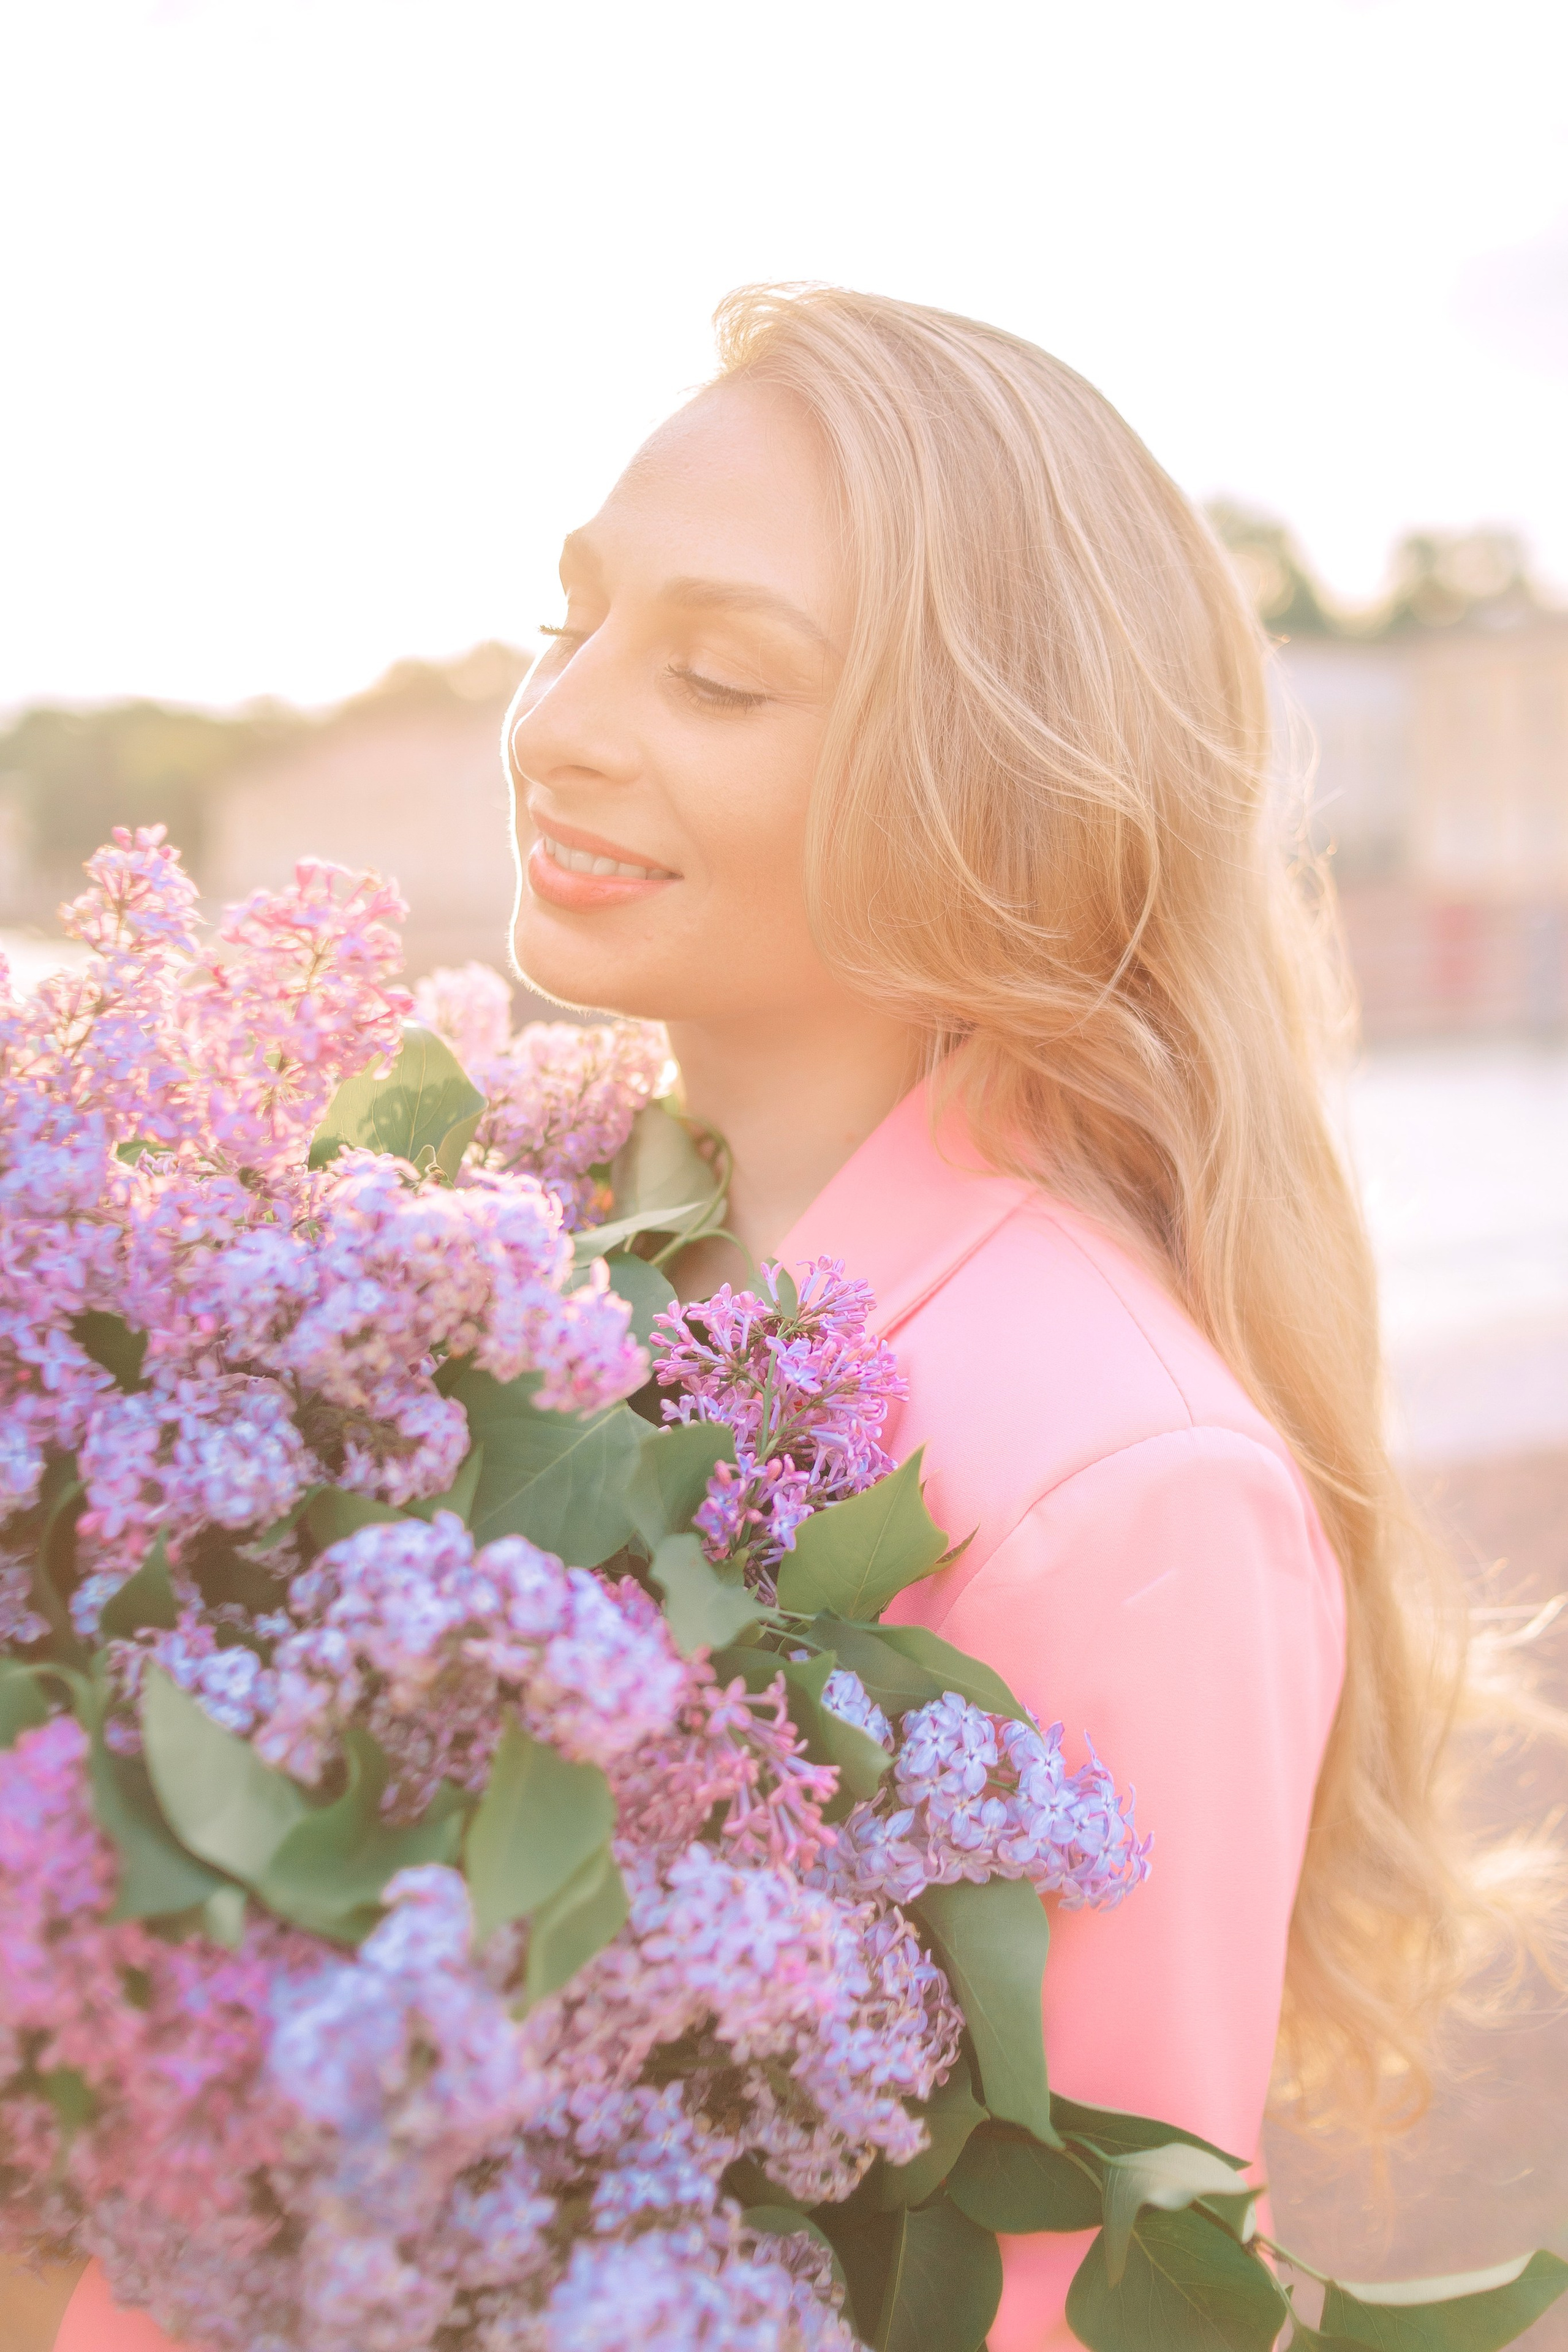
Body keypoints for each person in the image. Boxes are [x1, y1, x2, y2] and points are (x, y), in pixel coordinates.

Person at [57, 285, 1502, 2351]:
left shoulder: (1124, 1478)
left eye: (719, 677)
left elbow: (1075, 2303)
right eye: (569, 622)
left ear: (997, 784)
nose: (558, 725)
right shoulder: (455, 1263)